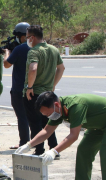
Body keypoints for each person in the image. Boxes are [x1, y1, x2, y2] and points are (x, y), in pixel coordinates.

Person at [15, 92, 106, 180]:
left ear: (56, 105)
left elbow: (73, 136)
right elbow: (46, 131)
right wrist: (28, 145)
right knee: (84, 151)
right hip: (97, 125)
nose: (49, 117)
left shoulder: (76, 106)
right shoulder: (58, 110)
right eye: (46, 115)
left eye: (48, 114)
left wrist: (54, 151)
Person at [23, 25, 65, 156]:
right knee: (49, 122)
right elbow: (61, 68)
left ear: (33, 37)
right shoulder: (53, 49)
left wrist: (30, 87)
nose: (27, 40)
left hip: (34, 93)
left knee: (35, 123)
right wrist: (53, 85)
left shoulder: (34, 51)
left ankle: (39, 150)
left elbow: (33, 69)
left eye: (27, 37)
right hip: (48, 93)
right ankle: (54, 148)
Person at [3, 22, 31, 150]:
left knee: (22, 116)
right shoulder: (38, 48)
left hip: (19, 88)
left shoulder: (19, 49)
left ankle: (24, 142)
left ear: (23, 36)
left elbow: (7, 64)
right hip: (34, 87)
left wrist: (7, 52)